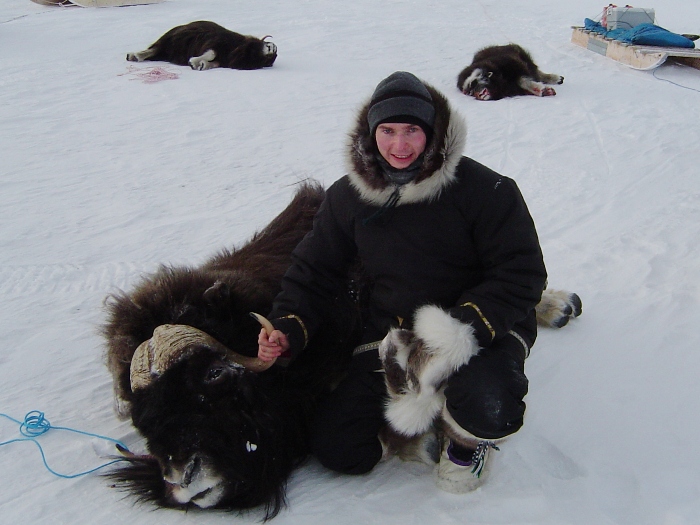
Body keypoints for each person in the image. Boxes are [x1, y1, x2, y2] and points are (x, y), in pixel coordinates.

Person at [257, 71, 547, 493]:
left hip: (481, 328)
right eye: (388, 131)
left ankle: (466, 441)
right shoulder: (348, 198)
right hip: (393, 333)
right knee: (339, 449)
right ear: (370, 134)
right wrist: (287, 326)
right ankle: (410, 428)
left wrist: (456, 332)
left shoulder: (488, 190)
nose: (399, 146)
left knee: (490, 406)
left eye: (412, 130)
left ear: (433, 132)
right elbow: (313, 271)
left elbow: (522, 272)